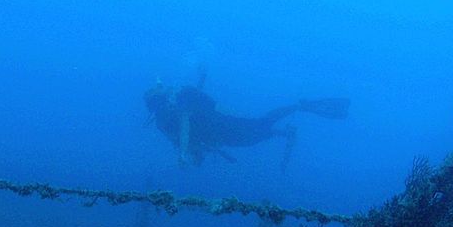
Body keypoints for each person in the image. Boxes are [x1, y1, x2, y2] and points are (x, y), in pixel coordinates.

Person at [144, 76, 349, 167]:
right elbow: (188, 138)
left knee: (259, 128)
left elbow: (186, 127)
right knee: (257, 131)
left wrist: (182, 155)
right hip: (221, 130)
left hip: (222, 127)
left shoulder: (171, 116)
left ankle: (298, 107)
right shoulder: (167, 118)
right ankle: (288, 125)